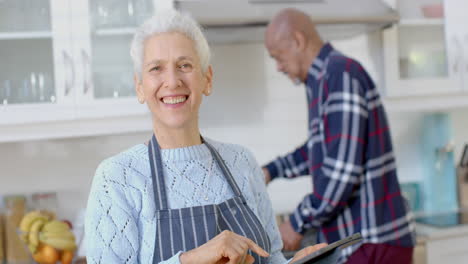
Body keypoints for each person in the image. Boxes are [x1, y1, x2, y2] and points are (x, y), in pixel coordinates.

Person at [85, 9, 326, 264]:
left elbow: (271, 258)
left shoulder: (242, 162)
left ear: (207, 79)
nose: (172, 80)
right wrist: (192, 259)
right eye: (156, 68)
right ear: (140, 87)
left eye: (184, 65)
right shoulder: (118, 179)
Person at [261, 8, 416, 264]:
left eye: (278, 57)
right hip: (364, 241)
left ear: (298, 41)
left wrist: (296, 223)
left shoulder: (339, 75)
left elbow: (339, 175)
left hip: (373, 240)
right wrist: (270, 171)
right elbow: (321, 149)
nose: (278, 67)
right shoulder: (323, 79)